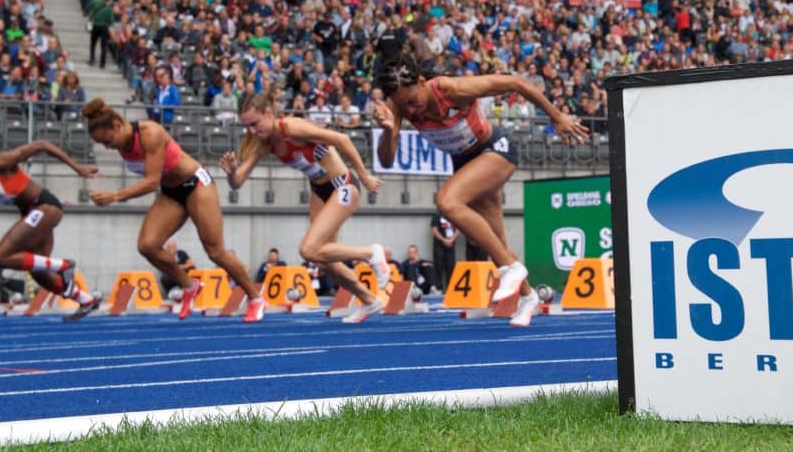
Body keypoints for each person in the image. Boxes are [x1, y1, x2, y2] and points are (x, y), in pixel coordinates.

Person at [373, 54, 589, 326]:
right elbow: (386, 160)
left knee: (447, 201)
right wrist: (388, 130)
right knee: (495, 240)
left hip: (494, 150)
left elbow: (515, 82)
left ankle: (509, 268)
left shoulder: (451, 89)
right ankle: (528, 297)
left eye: (413, 101)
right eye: (406, 107)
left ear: (420, 81)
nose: (412, 111)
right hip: (464, 163)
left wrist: (556, 116)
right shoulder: (398, 106)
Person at [82, 98, 265, 322]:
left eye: (108, 140)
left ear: (118, 125)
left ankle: (255, 298)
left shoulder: (150, 133)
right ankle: (190, 285)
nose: (108, 147)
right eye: (102, 144)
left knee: (216, 251)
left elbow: (150, 182)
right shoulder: (122, 144)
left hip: (196, 184)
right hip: (171, 192)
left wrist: (114, 196)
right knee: (147, 245)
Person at [220, 88, 390, 324]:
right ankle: (370, 300)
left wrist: (365, 176)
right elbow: (237, 182)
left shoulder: (292, 128)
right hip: (319, 191)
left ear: (268, 113)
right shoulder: (265, 143)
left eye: (254, 124)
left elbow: (342, 139)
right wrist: (230, 174)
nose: (252, 131)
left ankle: (371, 253)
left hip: (342, 185)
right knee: (320, 259)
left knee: (308, 249)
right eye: (247, 127)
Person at [0, 135, 102, 322]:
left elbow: (42, 144)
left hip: (45, 207)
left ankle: (64, 266)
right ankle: (86, 300)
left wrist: (77, 167)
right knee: (40, 273)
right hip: (31, 214)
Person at [431, 211, 457, 291]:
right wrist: (444, 240)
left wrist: (452, 239)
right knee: (438, 266)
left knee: (450, 266)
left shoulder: (453, 214)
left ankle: (450, 289)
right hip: (439, 246)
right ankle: (439, 288)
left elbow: (459, 228)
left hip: (451, 245)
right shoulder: (436, 215)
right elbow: (434, 230)